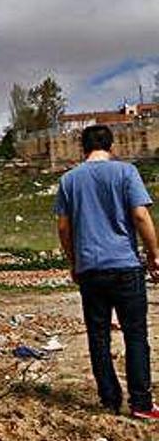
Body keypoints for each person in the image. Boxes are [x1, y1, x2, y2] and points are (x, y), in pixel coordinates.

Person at [55, 124, 159, 418]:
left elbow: (63, 226)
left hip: (90, 268)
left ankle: (109, 399)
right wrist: (154, 254)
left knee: (98, 336)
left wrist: (73, 261)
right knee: (136, 334)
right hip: (125, 265)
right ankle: (140, 403)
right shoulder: (126, 173)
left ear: (82, 148)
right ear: (111, 146)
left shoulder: (69, 180)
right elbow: (140, 215)